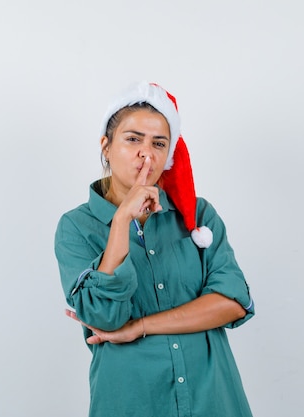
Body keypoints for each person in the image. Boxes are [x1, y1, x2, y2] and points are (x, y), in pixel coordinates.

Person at [54, 81, 255, 417]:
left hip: (213, 399)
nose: (146, 153)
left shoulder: (198, 217)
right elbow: (103, 317)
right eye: (133, 139)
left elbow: (233, 303)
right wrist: (121, 222)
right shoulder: (76, 226)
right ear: (106, 146)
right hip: (131, 401)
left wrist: (140, 326)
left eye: (159, 143)